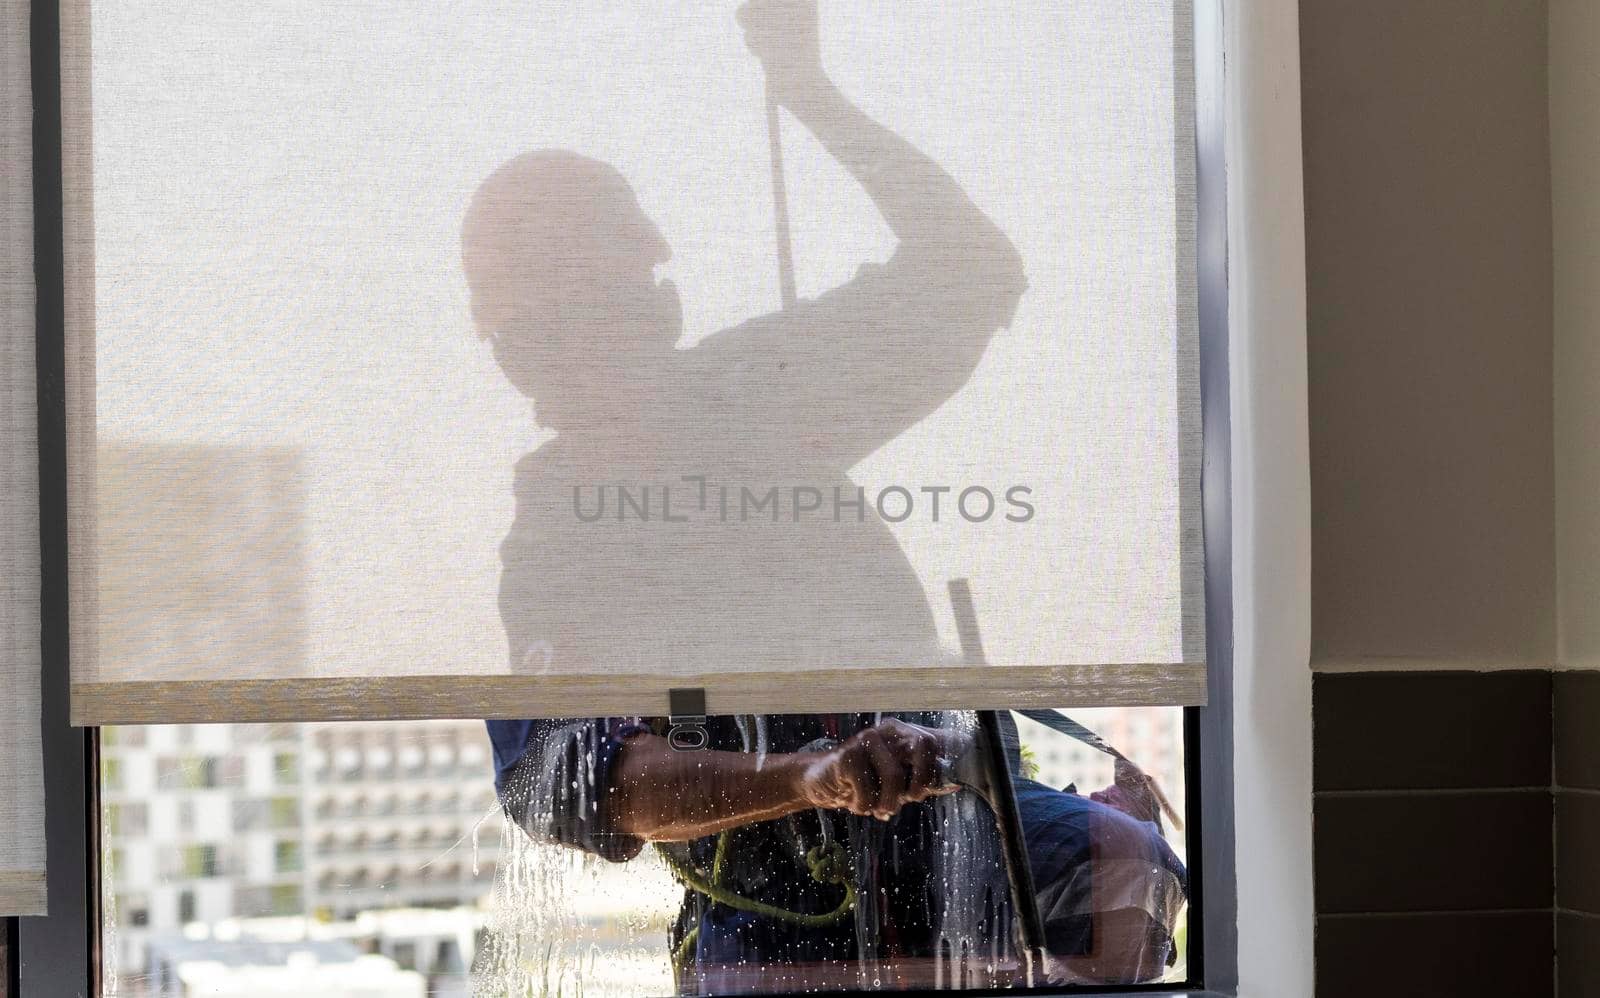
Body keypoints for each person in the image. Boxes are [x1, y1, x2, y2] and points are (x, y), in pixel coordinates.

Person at [465, 2, 1182, 990]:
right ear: (527, 360)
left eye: (614, 314)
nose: (593, 362)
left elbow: (970, 270)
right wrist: (809, 775)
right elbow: (570, 778)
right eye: (562, 335)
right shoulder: (561, 541)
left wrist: (812, 94)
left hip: (944, 837)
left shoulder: (755, 393)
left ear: (655, 309)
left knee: (1123, 869)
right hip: (771, 915)